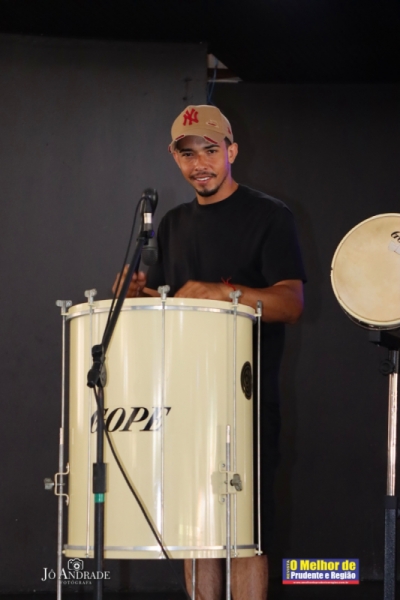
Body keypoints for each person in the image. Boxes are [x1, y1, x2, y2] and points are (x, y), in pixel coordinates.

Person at [113, 105, 306, 600]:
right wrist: (133, 294)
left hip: (245, 402)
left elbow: (291, 303)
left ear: (232, 151)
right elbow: (163, 303)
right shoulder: (172, 224)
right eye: (187, 154)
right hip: (184, 402)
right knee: (196, 530)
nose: (199, 164)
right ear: (174, 157)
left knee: (245, 534)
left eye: (210, 151)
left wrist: (225, 293)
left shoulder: (270, 215)